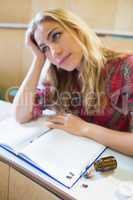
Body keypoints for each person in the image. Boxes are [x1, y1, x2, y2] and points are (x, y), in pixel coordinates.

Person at [13, 8, 133, 156]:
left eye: (56, 36)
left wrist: (85, 129)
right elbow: (21, 115)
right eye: (45, 48)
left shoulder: (126, 68)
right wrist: (38, 58)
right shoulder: (59, 76)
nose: (54, 52)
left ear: (77, 29)